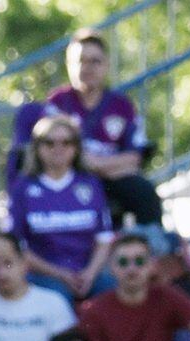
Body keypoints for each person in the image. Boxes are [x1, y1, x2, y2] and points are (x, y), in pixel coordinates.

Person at [31, 30, 164, 236]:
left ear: (106, 65)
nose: (88, 68)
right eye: (80, 61)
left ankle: (151, 248)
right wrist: (102, 165)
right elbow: (52, 152)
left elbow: (135, 157)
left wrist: (97, 165)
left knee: (144, 191)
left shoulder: (122, 105)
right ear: (69, 65)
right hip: (70, 178)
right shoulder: (57, 103)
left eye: (95, 61)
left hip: (111, 180)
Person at [6, 115, 116, 303]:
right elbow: (16, 247)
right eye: (49, 143)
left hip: (88, 272)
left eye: (67, 142)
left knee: (111, 290)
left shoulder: (90, 184)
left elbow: (104, 239)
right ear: (37, 147)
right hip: (44, 274)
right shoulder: (23, 188)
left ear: (76, 147)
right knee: (57, 297)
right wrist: (60, 274)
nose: (59, 149)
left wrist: (89, 274)